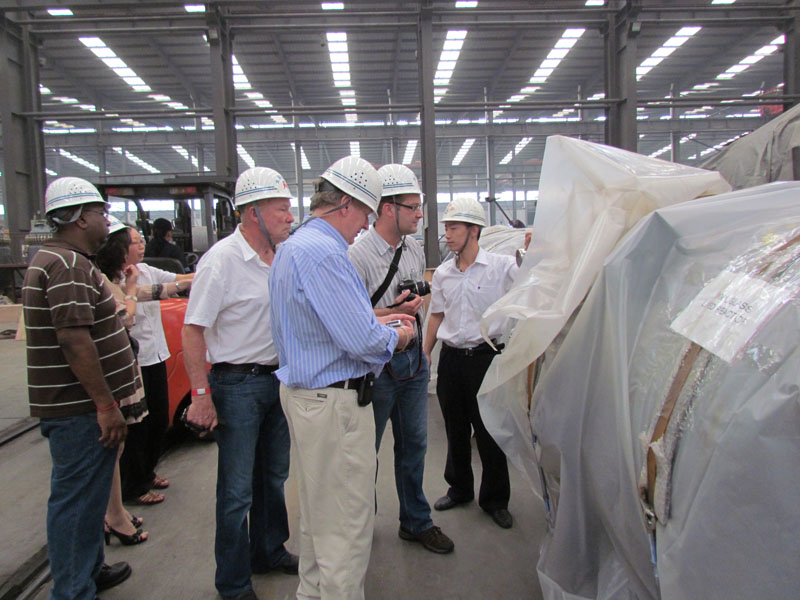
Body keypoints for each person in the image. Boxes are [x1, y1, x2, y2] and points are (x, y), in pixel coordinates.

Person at [270, 156, 416, 600]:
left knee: (320, 523)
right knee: (346, 533)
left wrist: (377, 321)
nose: (365, 225)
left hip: (307, 398)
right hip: (334, 407)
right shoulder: (325, 253)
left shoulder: (295, 246)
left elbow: (325, 324)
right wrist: (399, 335)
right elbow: (362, 341)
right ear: (345, 204)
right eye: (365, 213)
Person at [183, 167, 298, 600]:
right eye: (281, 209)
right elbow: (192, 330)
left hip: (277, 381)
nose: (290, 217)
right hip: (236, 385)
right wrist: (201, 395)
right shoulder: (221, 261)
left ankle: (268, 550)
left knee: (273, 476)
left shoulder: (282, 256)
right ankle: (232, 583)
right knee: (236, 491)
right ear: (253, 213)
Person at [23, 177, 136, 599]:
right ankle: (72, 590)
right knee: (76, 501)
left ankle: (88, 571)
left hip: (80, 408)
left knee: (88, 498)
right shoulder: (67, 266)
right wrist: (105, 405)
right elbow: (74, 340)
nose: (107, 220)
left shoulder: (64, 260)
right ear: (80, 218)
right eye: (101, 212)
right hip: (78, 410)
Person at [348, 164, 454, 554]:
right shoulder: (357, 257)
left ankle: (415, 521)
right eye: (412, 207)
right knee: (365, 453)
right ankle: (360, 526)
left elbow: (417, 304)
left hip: (412, 364)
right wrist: (392, 312)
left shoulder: (413, 249)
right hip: (375, 370)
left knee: (414, 447)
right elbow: (351, 318)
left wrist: (417, 328)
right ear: (387, 208)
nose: (420, 214)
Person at [423, 197, 528, 530]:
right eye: (446, 228)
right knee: (455, 429)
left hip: (486, 358)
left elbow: (531, 284)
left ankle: (495, 500)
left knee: (489, 432)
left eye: (453, 228)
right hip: (452, 361)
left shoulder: (501, 267)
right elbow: (436, 315)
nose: (447, 235)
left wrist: (534, 254)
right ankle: (459, 488)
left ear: (474, 230)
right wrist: (426, 353)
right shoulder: (443, 273)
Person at [122, 227, 194, 505]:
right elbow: (149, 293)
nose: (141, 246)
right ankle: (133, 485)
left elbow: (179, 278)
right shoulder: (114, 278)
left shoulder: (147, 270)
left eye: (141, 241)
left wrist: (207, 272)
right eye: (135, 242)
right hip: (133, 361)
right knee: (136, 426)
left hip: (156, 355)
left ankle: (148, 471)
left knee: (159, 419)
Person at [95, 216, 150, 546]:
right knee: (110, 450)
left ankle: (115, 511)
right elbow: (124, 317)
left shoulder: (113, 279)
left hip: (121, 370)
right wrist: (130, 291)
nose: (139, 247)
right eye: (133, 242)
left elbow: (151, 291)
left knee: (116, 449)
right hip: (110, 376)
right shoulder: (100, 280)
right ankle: (113, 517)